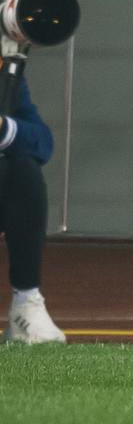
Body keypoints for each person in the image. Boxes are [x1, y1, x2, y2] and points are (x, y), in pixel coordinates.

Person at [1, 76, 64, 344]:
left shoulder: (6, 73)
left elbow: (43, 142)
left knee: (22, 171)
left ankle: (26, 303)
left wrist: (3, 128)